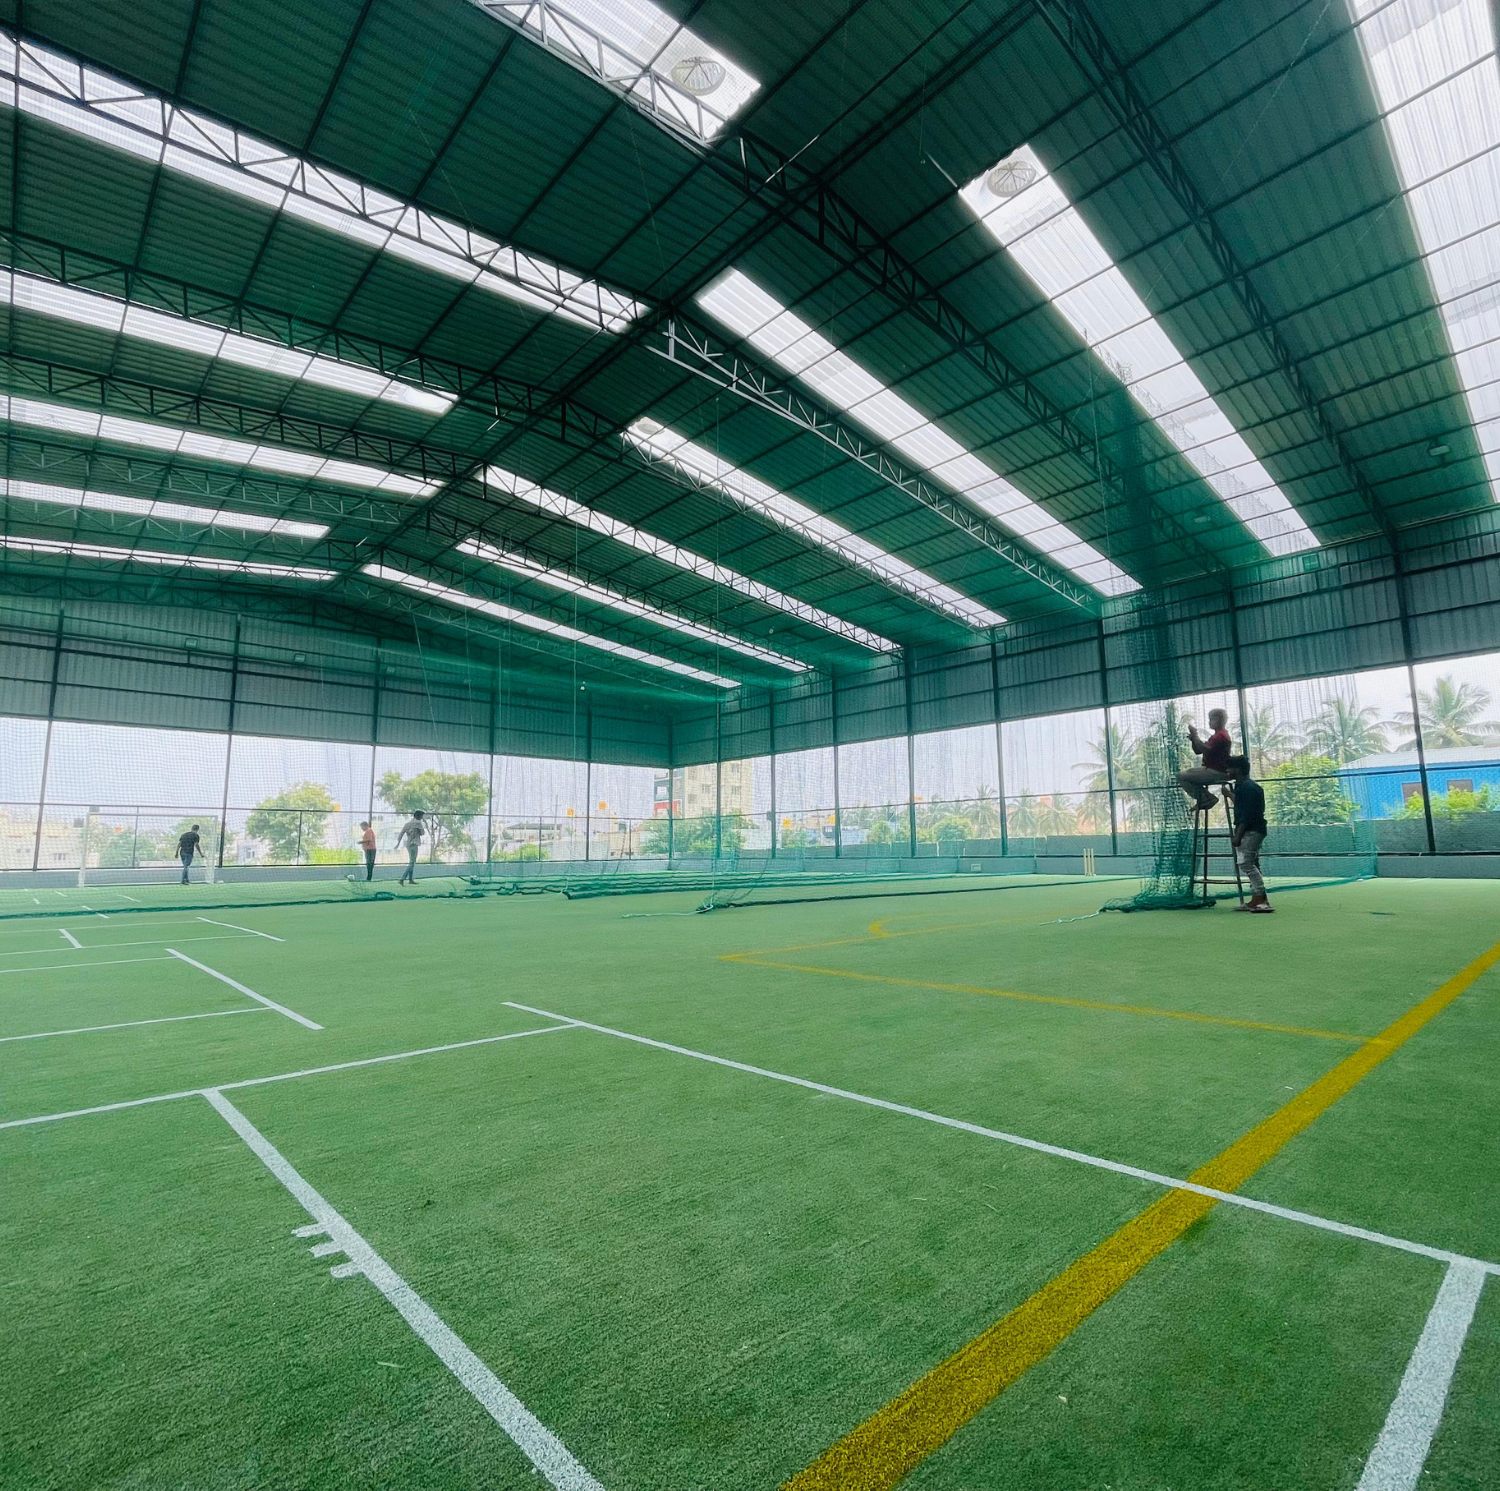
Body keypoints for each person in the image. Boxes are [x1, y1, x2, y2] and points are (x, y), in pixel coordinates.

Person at [1227, 755, 1272, 913]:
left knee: (1246, 863)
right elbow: (1242, 805)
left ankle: (1262, 899)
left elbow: (1247, 814)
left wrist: (1238, 836)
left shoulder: (1248, 787)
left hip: (1252, 830)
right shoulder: (1243, 786)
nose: (1227, 771)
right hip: (1252, 829)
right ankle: (1256, 899)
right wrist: (1229, 795)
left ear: (1238, 770)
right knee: (1251, 863)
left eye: (1229, 768)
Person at [1178, 708, 1233, 810]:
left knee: (1181, 776)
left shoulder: (1221, 736)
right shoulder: (1216, 736)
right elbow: (1198, 751)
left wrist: (1195, 736)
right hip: (1212, 769)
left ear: (1219, 720)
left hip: (1217, 771)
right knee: (1184, 774)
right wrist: (1193, 740)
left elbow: (1205, 750)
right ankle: (1206, 797)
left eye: (1212, 719)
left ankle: (1205, 798)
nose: (1209, 722)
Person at [395, 809, 425, 885]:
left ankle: (410, 879)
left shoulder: (408, 824)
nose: (422, 817)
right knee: (412, 862)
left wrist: (398, 843)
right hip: (414, 844)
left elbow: (401, 833)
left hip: (408, 844)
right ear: (418, 816)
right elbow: (422, 833)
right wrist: (419, 830)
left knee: (412, 861)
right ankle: (402, 879)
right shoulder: (418, 823)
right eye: (421, 816)